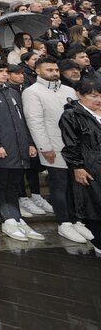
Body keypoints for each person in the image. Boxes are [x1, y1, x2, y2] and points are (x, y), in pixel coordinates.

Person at [0, 60, 44, 242]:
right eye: (0, 71)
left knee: (13, 186)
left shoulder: (12, 92)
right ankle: (8, 220)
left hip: (18, 147)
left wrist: (29, 142)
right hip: (2, 148)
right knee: (0, 185)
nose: (4, 74)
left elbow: (22, 120)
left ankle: (17, 219)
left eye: (6, 71)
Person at [22, 57, 87, 242]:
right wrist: (45, 148)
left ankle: (75, 220)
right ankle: (64, 223)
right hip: (54, 147)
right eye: (49, 70)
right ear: (38, 71)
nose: (54, 73)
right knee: (59, 186)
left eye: (56, 70)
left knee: (74, 186)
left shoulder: (68, 90)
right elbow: (35, 122)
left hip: (74, 147)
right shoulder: (32, 92)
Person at [59, 78, 101, 252]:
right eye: (93, 96)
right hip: (89, 166)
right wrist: (78, 166)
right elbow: (71, 143)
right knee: (94, 205)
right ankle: (98, 242)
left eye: (100, 95)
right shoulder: (71, 115)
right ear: (79, 95)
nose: (98, 99)